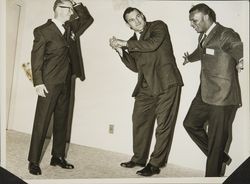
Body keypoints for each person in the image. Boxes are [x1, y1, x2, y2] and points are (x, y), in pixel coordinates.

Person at [109, 7, 183, 176]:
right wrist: (120, 50)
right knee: (139, 120)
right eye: (132, 20)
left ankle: (155, 164)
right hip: (146, 87)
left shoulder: (158, 26)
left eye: (138, 16)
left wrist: (125, 44)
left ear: (143, 16)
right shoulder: (131, 40)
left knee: (163, 125)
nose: (137, 21)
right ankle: (138, 158)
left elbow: (152, 44)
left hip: (167, 83)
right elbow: (136, 66)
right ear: (128, 25)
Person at [28, 0, 93, 175]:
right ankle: (33, 160)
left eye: (72, 9)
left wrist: (77, 3)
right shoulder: (42, 31)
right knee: (42, 121)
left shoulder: (71, 27)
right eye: (69, 9)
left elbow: (87, 18)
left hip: (66, 81)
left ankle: (57, 156)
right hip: (48, 82)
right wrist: (38, 82)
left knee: (62, 119)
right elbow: (36, 59)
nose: (72, 13)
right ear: (58, 9)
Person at [183, 3, 243, 177]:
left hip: (223, 97)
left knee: (216, 143)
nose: (191, 24)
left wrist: (242, 59)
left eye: (194, 20)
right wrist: (189, 58)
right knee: (190, 124)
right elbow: (201, 51)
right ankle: (220, 156)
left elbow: (238, 47)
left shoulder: (226, 34)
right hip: (205, 93)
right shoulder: (204, 36)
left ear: (207, 17)